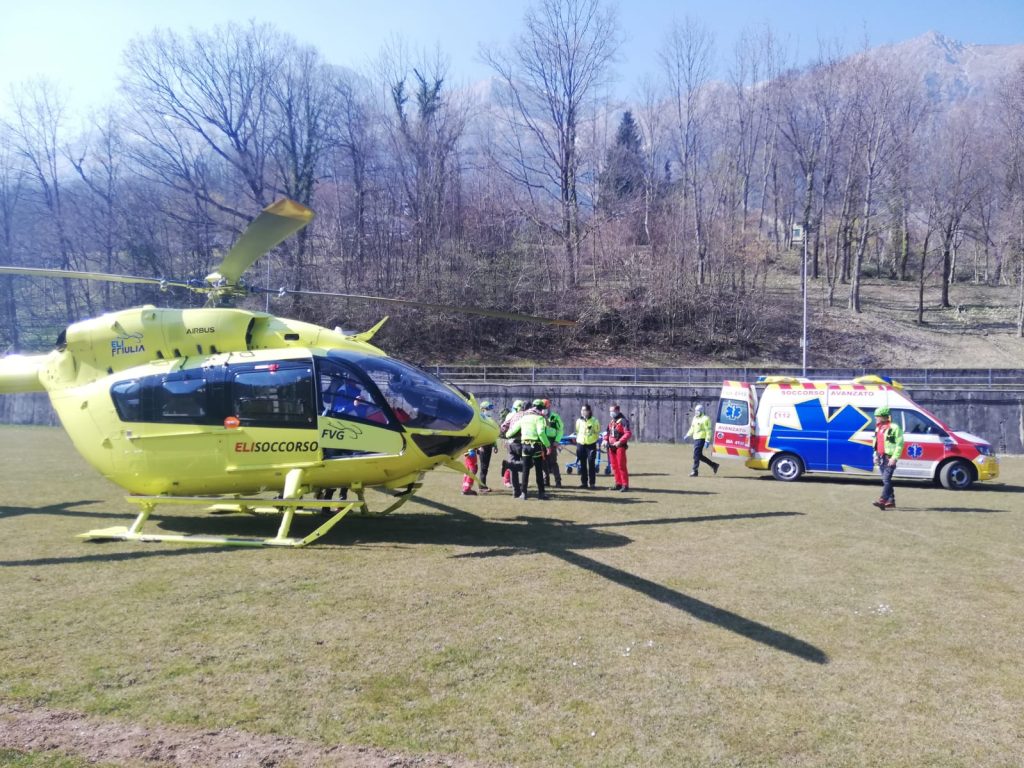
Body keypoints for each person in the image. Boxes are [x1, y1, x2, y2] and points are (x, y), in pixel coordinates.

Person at [505, 399, 551, 499]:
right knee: (538, 470)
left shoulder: (524, 417)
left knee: (525, 470)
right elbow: (541, 433)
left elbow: (512, 430)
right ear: (540, 408)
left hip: (525, 446)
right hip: (536, 446)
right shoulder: (540, 418)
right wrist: (547, 445)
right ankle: (541, 493)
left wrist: (507, 435)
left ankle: (523, 493)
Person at [872, 406, 904, 509]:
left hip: (890, 458)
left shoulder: (895, 428)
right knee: (886, 480)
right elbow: (876, 443)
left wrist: (894, 458)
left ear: (883, 416)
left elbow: (900, 444)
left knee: (886, 479)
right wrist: (875, 455)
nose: (875, 418)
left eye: (877, 416)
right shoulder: (878, 428)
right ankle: (891, 501)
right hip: (881, 457)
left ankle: (882, 500)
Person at [500, 400, 527, 495]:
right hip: (521, 443)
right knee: (527, 464)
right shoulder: (526, 416)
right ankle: (509, 465)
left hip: (510, 443)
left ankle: (515, 491)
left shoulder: (512, 415)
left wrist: (505, 437)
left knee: (513, 466)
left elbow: (503, 426)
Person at [685, 404, 720, 477]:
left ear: (701, 411)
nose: (696, 412)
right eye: (696, 411)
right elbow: (692, 428)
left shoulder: (706, 419)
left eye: (698, 411)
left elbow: (708, 430)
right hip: (696, 438)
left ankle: (695, 471)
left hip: (701, 439)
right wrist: (688, 434)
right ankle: (714, 465)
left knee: (696, 455)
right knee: (699, 456)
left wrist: (707, 440)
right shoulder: (695, 418)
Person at [574, 404, 602, 489]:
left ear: (589, 411)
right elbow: (577, 430)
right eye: (582, 410)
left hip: (591, 445)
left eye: (584, 410)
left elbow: (597, 431)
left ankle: (592, 483)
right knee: (582, 464)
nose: (582, 412)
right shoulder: (579, 421)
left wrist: (593, 439)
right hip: (581, 444)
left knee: (591, 463)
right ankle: (584, 483)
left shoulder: (594, 421)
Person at [606, 404, 632, 492]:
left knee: (621, 466)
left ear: (617, 411)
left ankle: (625, 485)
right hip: (611, 447)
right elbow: (607, 433)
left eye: (612, 411)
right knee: (614, 466)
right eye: (610, 411)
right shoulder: (612, 421)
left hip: (620, 446)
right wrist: (605, 440)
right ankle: (618, 484)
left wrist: (620, 441)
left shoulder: (623, 421)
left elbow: (628, 433)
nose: (611, 413)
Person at [477, 400, 497, 493]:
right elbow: (479, 434)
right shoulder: (480, 420)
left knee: (485, 467)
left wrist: (495, 445)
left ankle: (483, 485)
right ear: (482, 410)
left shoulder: (489, 420)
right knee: (483, 467)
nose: (490, 411)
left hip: (489, 445)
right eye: (488, 409)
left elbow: (492, 433)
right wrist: (480, 445)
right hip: (483, 446)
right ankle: (482, 487)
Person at [542, 398, 564, 488]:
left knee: (553, 462)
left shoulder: (555, 417)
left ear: (549, 407)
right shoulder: (539, 417)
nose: (544, 409)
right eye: (542, 407)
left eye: (545, 407)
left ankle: (558, 481)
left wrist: (557, 441)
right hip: (541, 441)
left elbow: (560, 430)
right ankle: (545, 481)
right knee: (543, 462)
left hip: (552, 441)